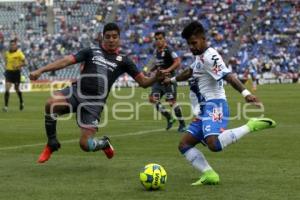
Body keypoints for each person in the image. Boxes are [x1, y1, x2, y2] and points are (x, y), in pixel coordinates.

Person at [30, 23, 163, 163]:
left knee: (85, 145)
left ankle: (104, 143)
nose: (111, 40)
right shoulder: (91, 51)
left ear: (119, 39)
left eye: (114, 37)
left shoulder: (124, 61)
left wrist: (155, 78)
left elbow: (143, 82)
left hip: (94, 104)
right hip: (77, 92)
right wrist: (41, 70)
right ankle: (52, 143)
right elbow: (66, 61)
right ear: (102, 37)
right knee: (51, 103)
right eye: (108, 37)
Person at [163, 21, 276, 186]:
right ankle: (209, 174)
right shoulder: (200, 56)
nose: (191, 47)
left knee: (214, 144)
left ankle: (250, 126)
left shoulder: (211, 56)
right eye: (189, 44)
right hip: (204, 109)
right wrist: (171, 79)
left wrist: (246, 94)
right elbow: (189, 72)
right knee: (184, 144)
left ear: (203, 39)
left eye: (194, 43)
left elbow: (228, 76)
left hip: (215, 104)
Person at [148, 31, 186, 132]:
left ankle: (182, 124)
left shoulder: (169, 50)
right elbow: (158, 64)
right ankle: (169, 117)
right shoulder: (156, 51)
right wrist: (151, 70)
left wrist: (167, 70)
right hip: (159, 81)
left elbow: (177, 61)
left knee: (171, 102)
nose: (158, 41)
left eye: (160, 38)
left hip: (169, 80)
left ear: (164, 39)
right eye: (156, 39)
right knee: (153, 99)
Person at [3, 39, 26, 112]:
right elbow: (6, 61)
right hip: (9, 72)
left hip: (16, 73)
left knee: (16, 89)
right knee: (7, 89)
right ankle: (6, 107)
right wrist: (6, 68)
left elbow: (25, 63)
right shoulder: (7, 53)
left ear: (16, 46)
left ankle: (21, 102)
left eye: (13, 45)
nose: (12, 46)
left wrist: (18, 65)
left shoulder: (19, 53)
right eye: (11, 45)